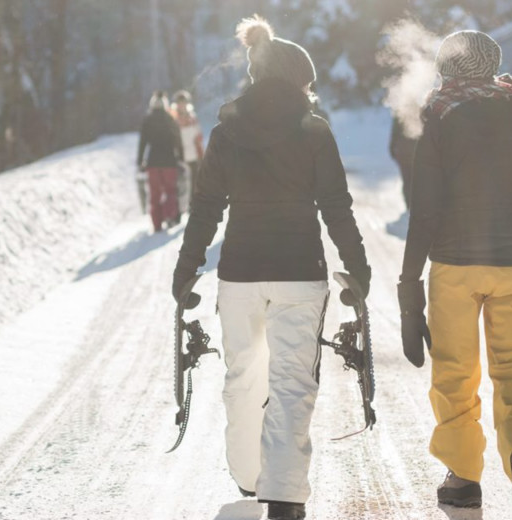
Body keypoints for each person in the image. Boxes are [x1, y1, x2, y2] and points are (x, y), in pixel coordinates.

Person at [172, 15, 370, 520]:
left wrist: (186, 267)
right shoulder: (314, 131)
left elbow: (207, 206)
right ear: (298, 81)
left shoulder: (225, 131)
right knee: (291, 383)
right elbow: (336, 206)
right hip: (301, 273)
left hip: (239, 274)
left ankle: (249, 477)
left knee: (242, 378)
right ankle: (283, 496)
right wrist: (358, 267)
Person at [397, 31, 512, 517]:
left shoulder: (440, 113)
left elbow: (426, 211)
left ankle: (462, 480)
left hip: (455, 266)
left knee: (455, 372)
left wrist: (408, 286)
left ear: (447, 68)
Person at [137, 90, 183, 232]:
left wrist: (140, 161)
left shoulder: (147, 120)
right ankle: (169, 216)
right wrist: (181, 157)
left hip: (153, 163)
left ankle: (156, 224)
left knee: (154, 194)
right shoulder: (170, 119)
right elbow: (178, 140)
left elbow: (143, 142)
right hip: (170, 161)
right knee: (170, 191)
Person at [171, 90, 204, 214]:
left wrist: (199, 146)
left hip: (194, 154)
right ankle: (179, 209)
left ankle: (192, 205)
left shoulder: (192, 117)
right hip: (180, 156)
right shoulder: (173, 118)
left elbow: (199, 135)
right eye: (180, 103)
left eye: (184, 103)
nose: (182, 105)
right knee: (181, 184)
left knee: (195, 182)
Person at [388, 115, 418, 207]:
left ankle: (409, 204)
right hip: (415, 151)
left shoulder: (400, 111)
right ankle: (415, 204)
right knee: (417, 179)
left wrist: (392, 149)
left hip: (403, 151)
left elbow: (395, 132)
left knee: (407, 180)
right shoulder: (420, 109)